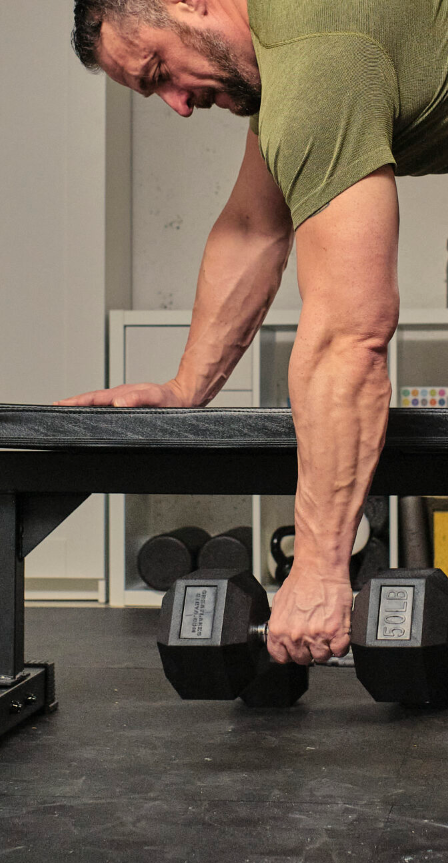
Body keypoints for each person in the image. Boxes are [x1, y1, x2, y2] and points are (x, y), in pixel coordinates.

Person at [59, 0, 448, 665]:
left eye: (160, 72)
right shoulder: (286, 51)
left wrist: (320, 568)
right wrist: (185, 388)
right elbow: (252, 226)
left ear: (190, 2)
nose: (179, 106)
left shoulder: (315, 53)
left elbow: (348, 336)